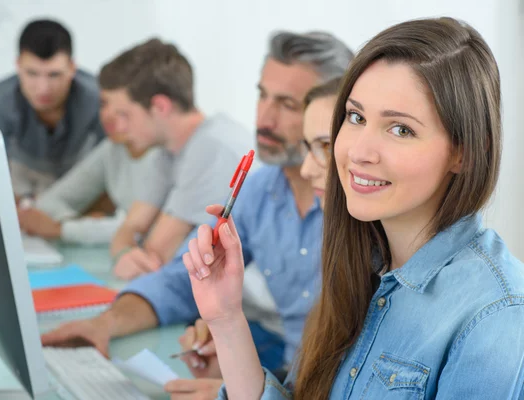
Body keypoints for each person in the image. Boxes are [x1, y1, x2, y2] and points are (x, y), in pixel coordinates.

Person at [183, 17, 524, 400]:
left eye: (400, 129)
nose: (358, 152)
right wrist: (225, 318)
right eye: (356, 117)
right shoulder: (361, 262)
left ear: (463, 153)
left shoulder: (496, 314)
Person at [40, 30, 353, 394]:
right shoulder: (260, 188)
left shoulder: (363, 213)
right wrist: (104, 324)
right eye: (262, 95)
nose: (264, 118)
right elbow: (180, 279)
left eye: (287, 104)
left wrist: (237, 390)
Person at [164, 79, 342, 399]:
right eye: (262, 95)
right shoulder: (262, 186)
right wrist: (228, 337)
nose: (305, 170)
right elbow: (309, 378)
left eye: (325, 146)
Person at [19, 38, 251, 267]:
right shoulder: (167, 153)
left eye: (125, 115)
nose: (117, 127)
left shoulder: (211, 149)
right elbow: (129, 229)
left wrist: (129, 252)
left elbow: (154, 254)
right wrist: (125, 253)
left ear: (160, 107)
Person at [0, 19, 105, 199]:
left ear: (72, 68)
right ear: (18, 66)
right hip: (23, 186)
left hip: (82, 187)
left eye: (54, 74)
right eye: (32, 73)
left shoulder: (99, 99)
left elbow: (111, 166)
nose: (43, 88)